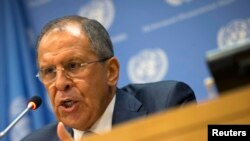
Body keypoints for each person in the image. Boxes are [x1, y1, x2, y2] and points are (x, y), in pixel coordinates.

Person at [21, 15, 196, 141]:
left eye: (73, 66)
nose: (60, 83)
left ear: (111, 72)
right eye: (49, 71)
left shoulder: (166, 105)